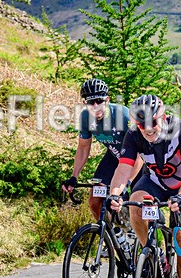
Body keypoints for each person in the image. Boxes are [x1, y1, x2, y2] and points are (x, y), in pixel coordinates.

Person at [108, 94, 181, 278]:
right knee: (135, 203)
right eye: (142, 125)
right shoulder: (134, 135)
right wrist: (115, 194)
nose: (148, 130)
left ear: (163, 116)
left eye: (153, 123)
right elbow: (123, 169)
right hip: (155, 184)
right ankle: (154, 254)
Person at [61, 78, 143, 220]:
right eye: (90, 102)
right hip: (113, 158)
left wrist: (126, 183)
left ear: (107, 99)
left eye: (99, 101)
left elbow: (140, 154)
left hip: (137, 161)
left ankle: (139, 234)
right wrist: (74, 176)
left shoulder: (123, 115)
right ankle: (113, 236)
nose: (95, 106)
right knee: (94, 201)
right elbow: (83, 147)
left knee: (136, 206)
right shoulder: (86, 117)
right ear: (84, 103)